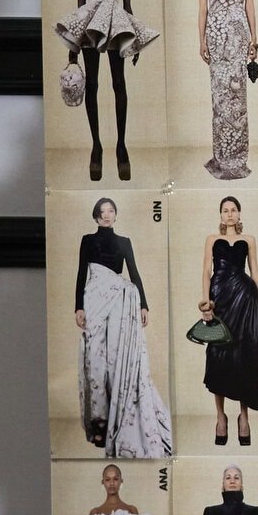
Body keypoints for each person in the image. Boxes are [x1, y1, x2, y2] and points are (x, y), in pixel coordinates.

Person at [56, 0, 158, 185]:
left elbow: (128, 6)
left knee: (118, 83)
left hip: (116, 25)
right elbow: (81, 10)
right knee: (91, 84)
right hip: (90, 27)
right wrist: (73, 50)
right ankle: (96, 147)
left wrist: (134, 43)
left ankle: (121, 147)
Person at [72, 195, 171, 458]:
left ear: (115, 214)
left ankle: (115, 421)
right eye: (102, 211)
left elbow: (134, 273)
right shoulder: (87, 240)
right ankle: (99, 422)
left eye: (111, 210)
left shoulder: (124, 242)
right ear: (96, 216)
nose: (107, 215)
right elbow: (81, 272)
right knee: (95, 360)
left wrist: (144, 305)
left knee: (116, 360)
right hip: (94, 299)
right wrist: (78, 307)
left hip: (120, 301)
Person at [196, 195, 258, 446]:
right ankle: (220, 417)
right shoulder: (211, 239)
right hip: (220, 299)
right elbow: (206, 271)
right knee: (217, 355)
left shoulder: (249, 240)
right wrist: (206, 302)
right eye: (225, 210)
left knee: (244, 355)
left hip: (245, 299)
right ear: (220, 215)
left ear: (239, 214)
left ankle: (244, 417)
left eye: (233, 210)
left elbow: (255, 272)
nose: (229, 214)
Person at [196, 0, 256, 182]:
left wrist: (254, 40)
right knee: (220, 100)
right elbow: (203, 11)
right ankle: (221, 158)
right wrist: (201, 41)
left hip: (239, 39)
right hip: (217, 39)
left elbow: (250, 6)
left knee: (237, 100)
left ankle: (238, 159)